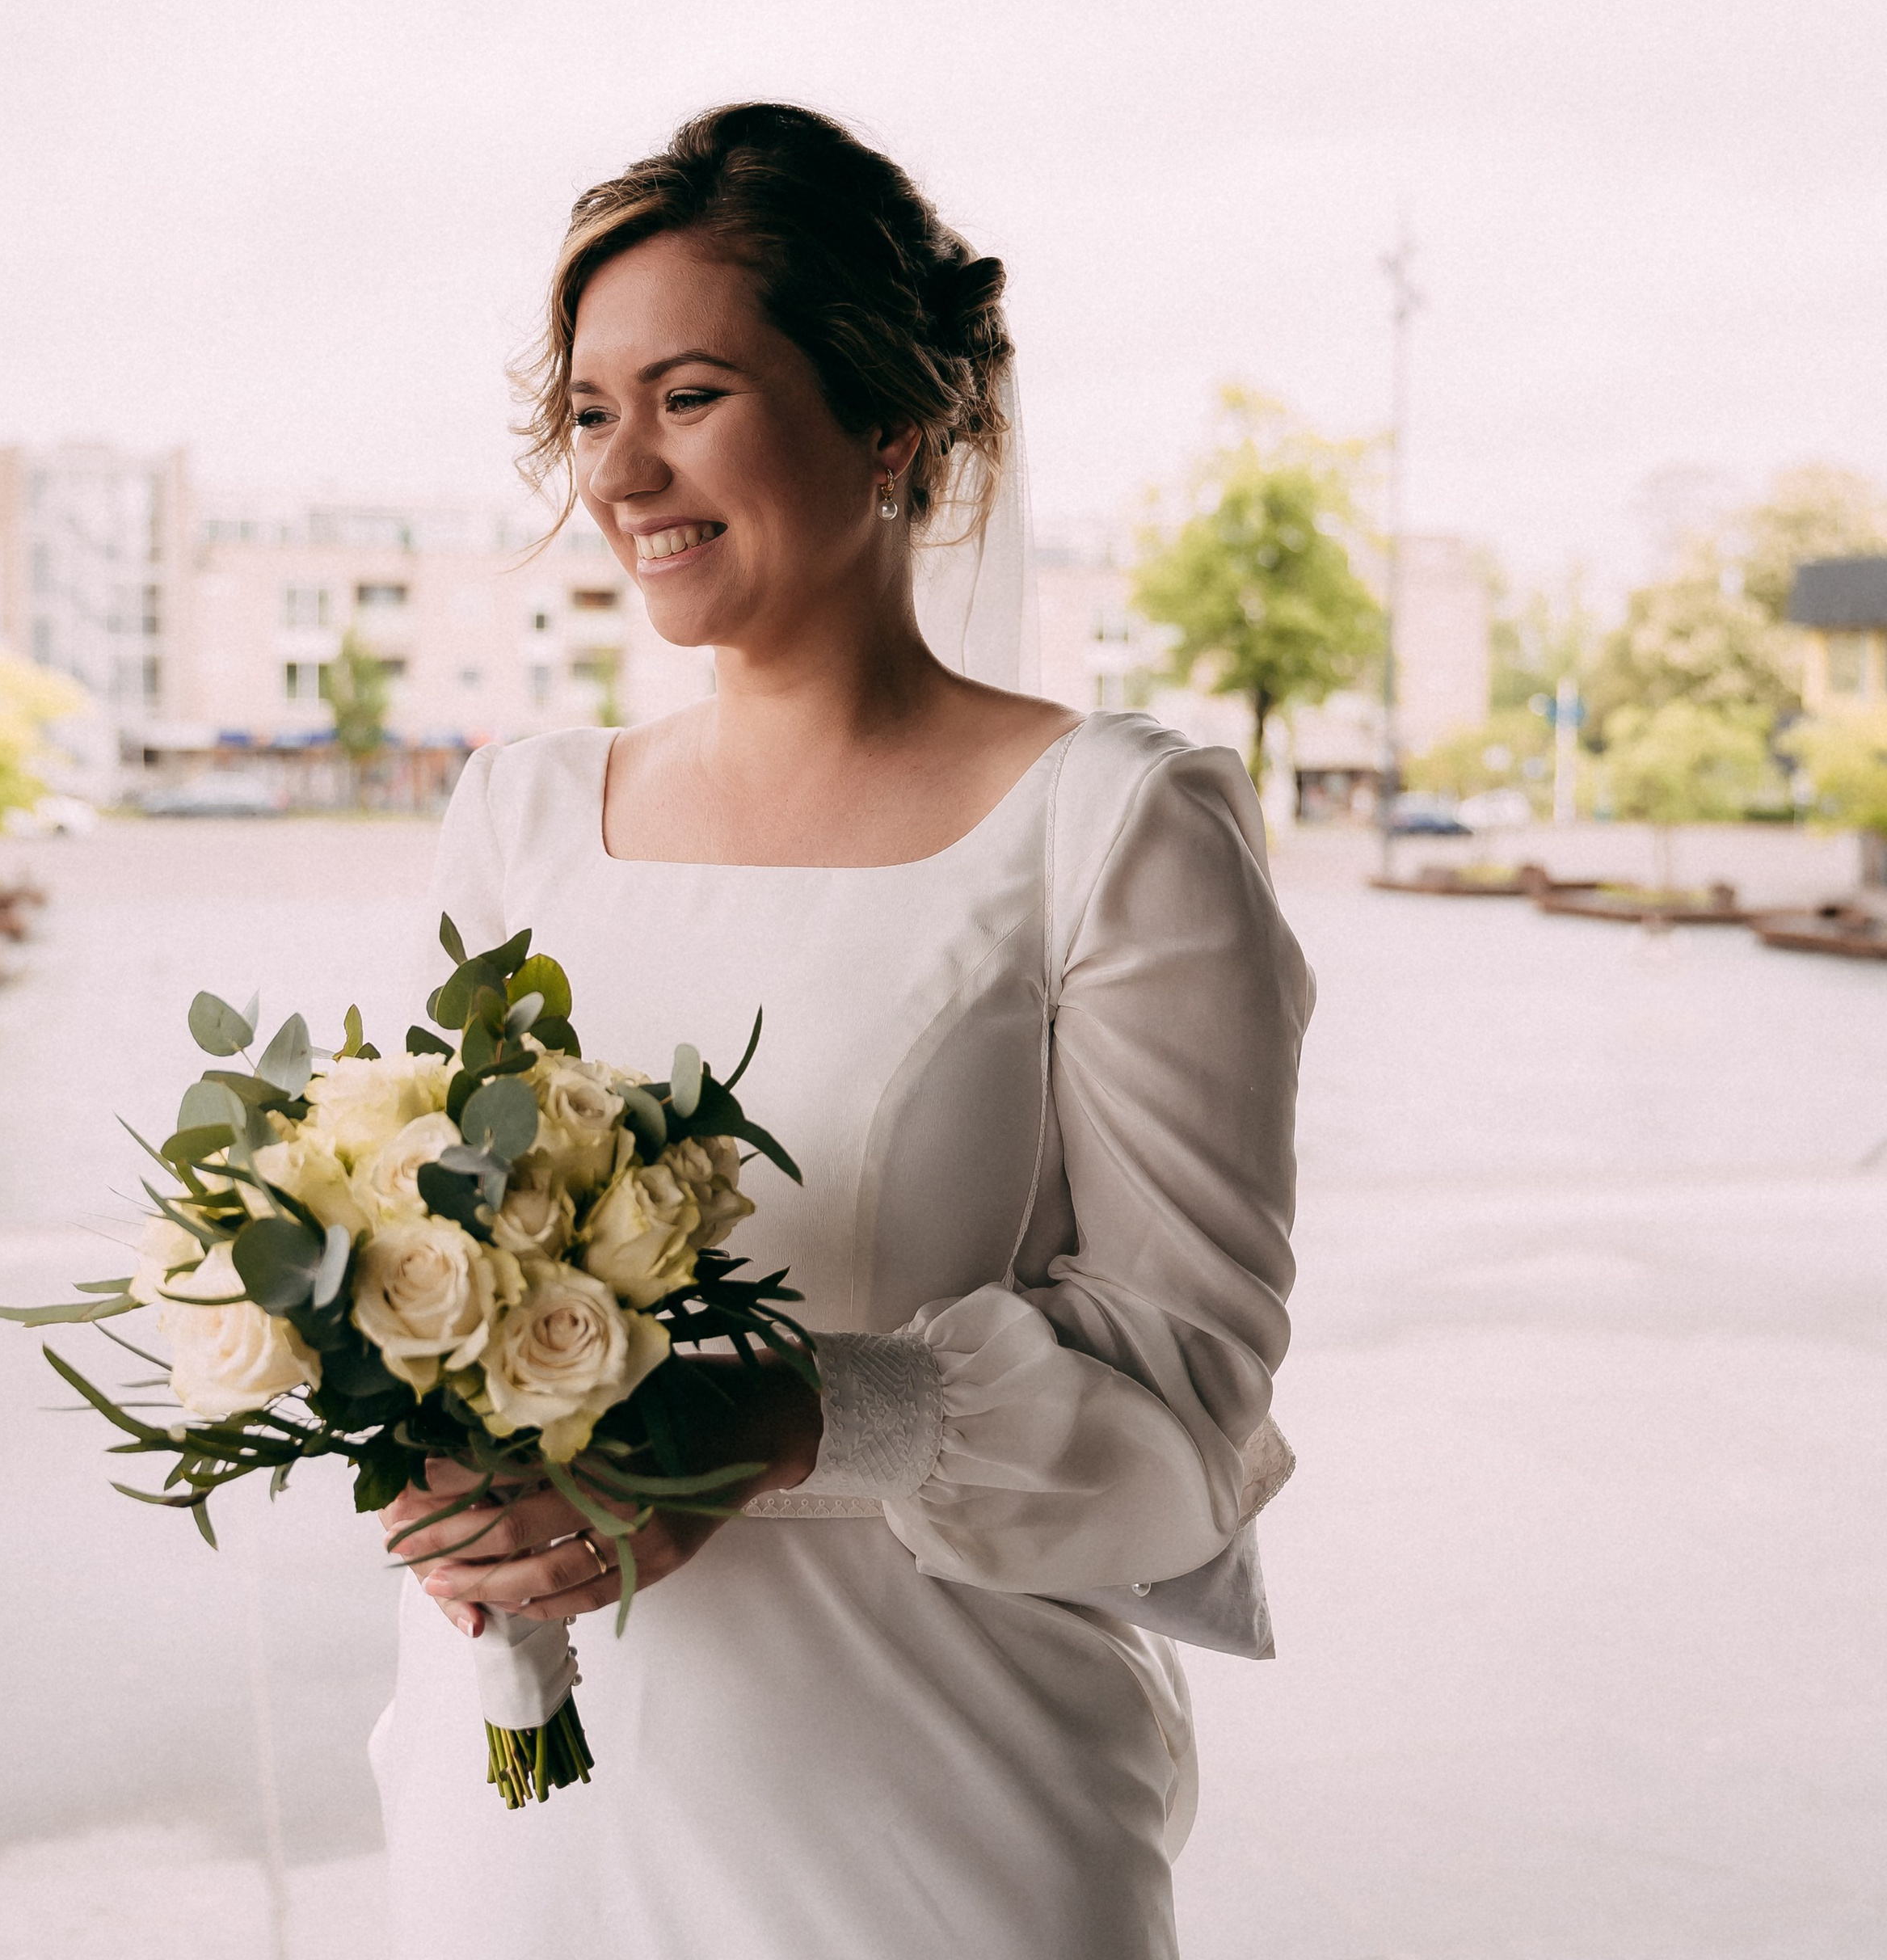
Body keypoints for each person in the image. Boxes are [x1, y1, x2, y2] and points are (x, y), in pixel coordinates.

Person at [371, 101, 1311, 1960]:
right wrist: (413, 1440)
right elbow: (429, 1258)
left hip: (929, 1807)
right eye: (586, 409)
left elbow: (1190, 1406)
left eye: (692, 393)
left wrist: (801, 1410)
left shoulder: (1113, 822)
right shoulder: (521, 816)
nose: (623, 469)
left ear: (893, 415)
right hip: (527, 1809)